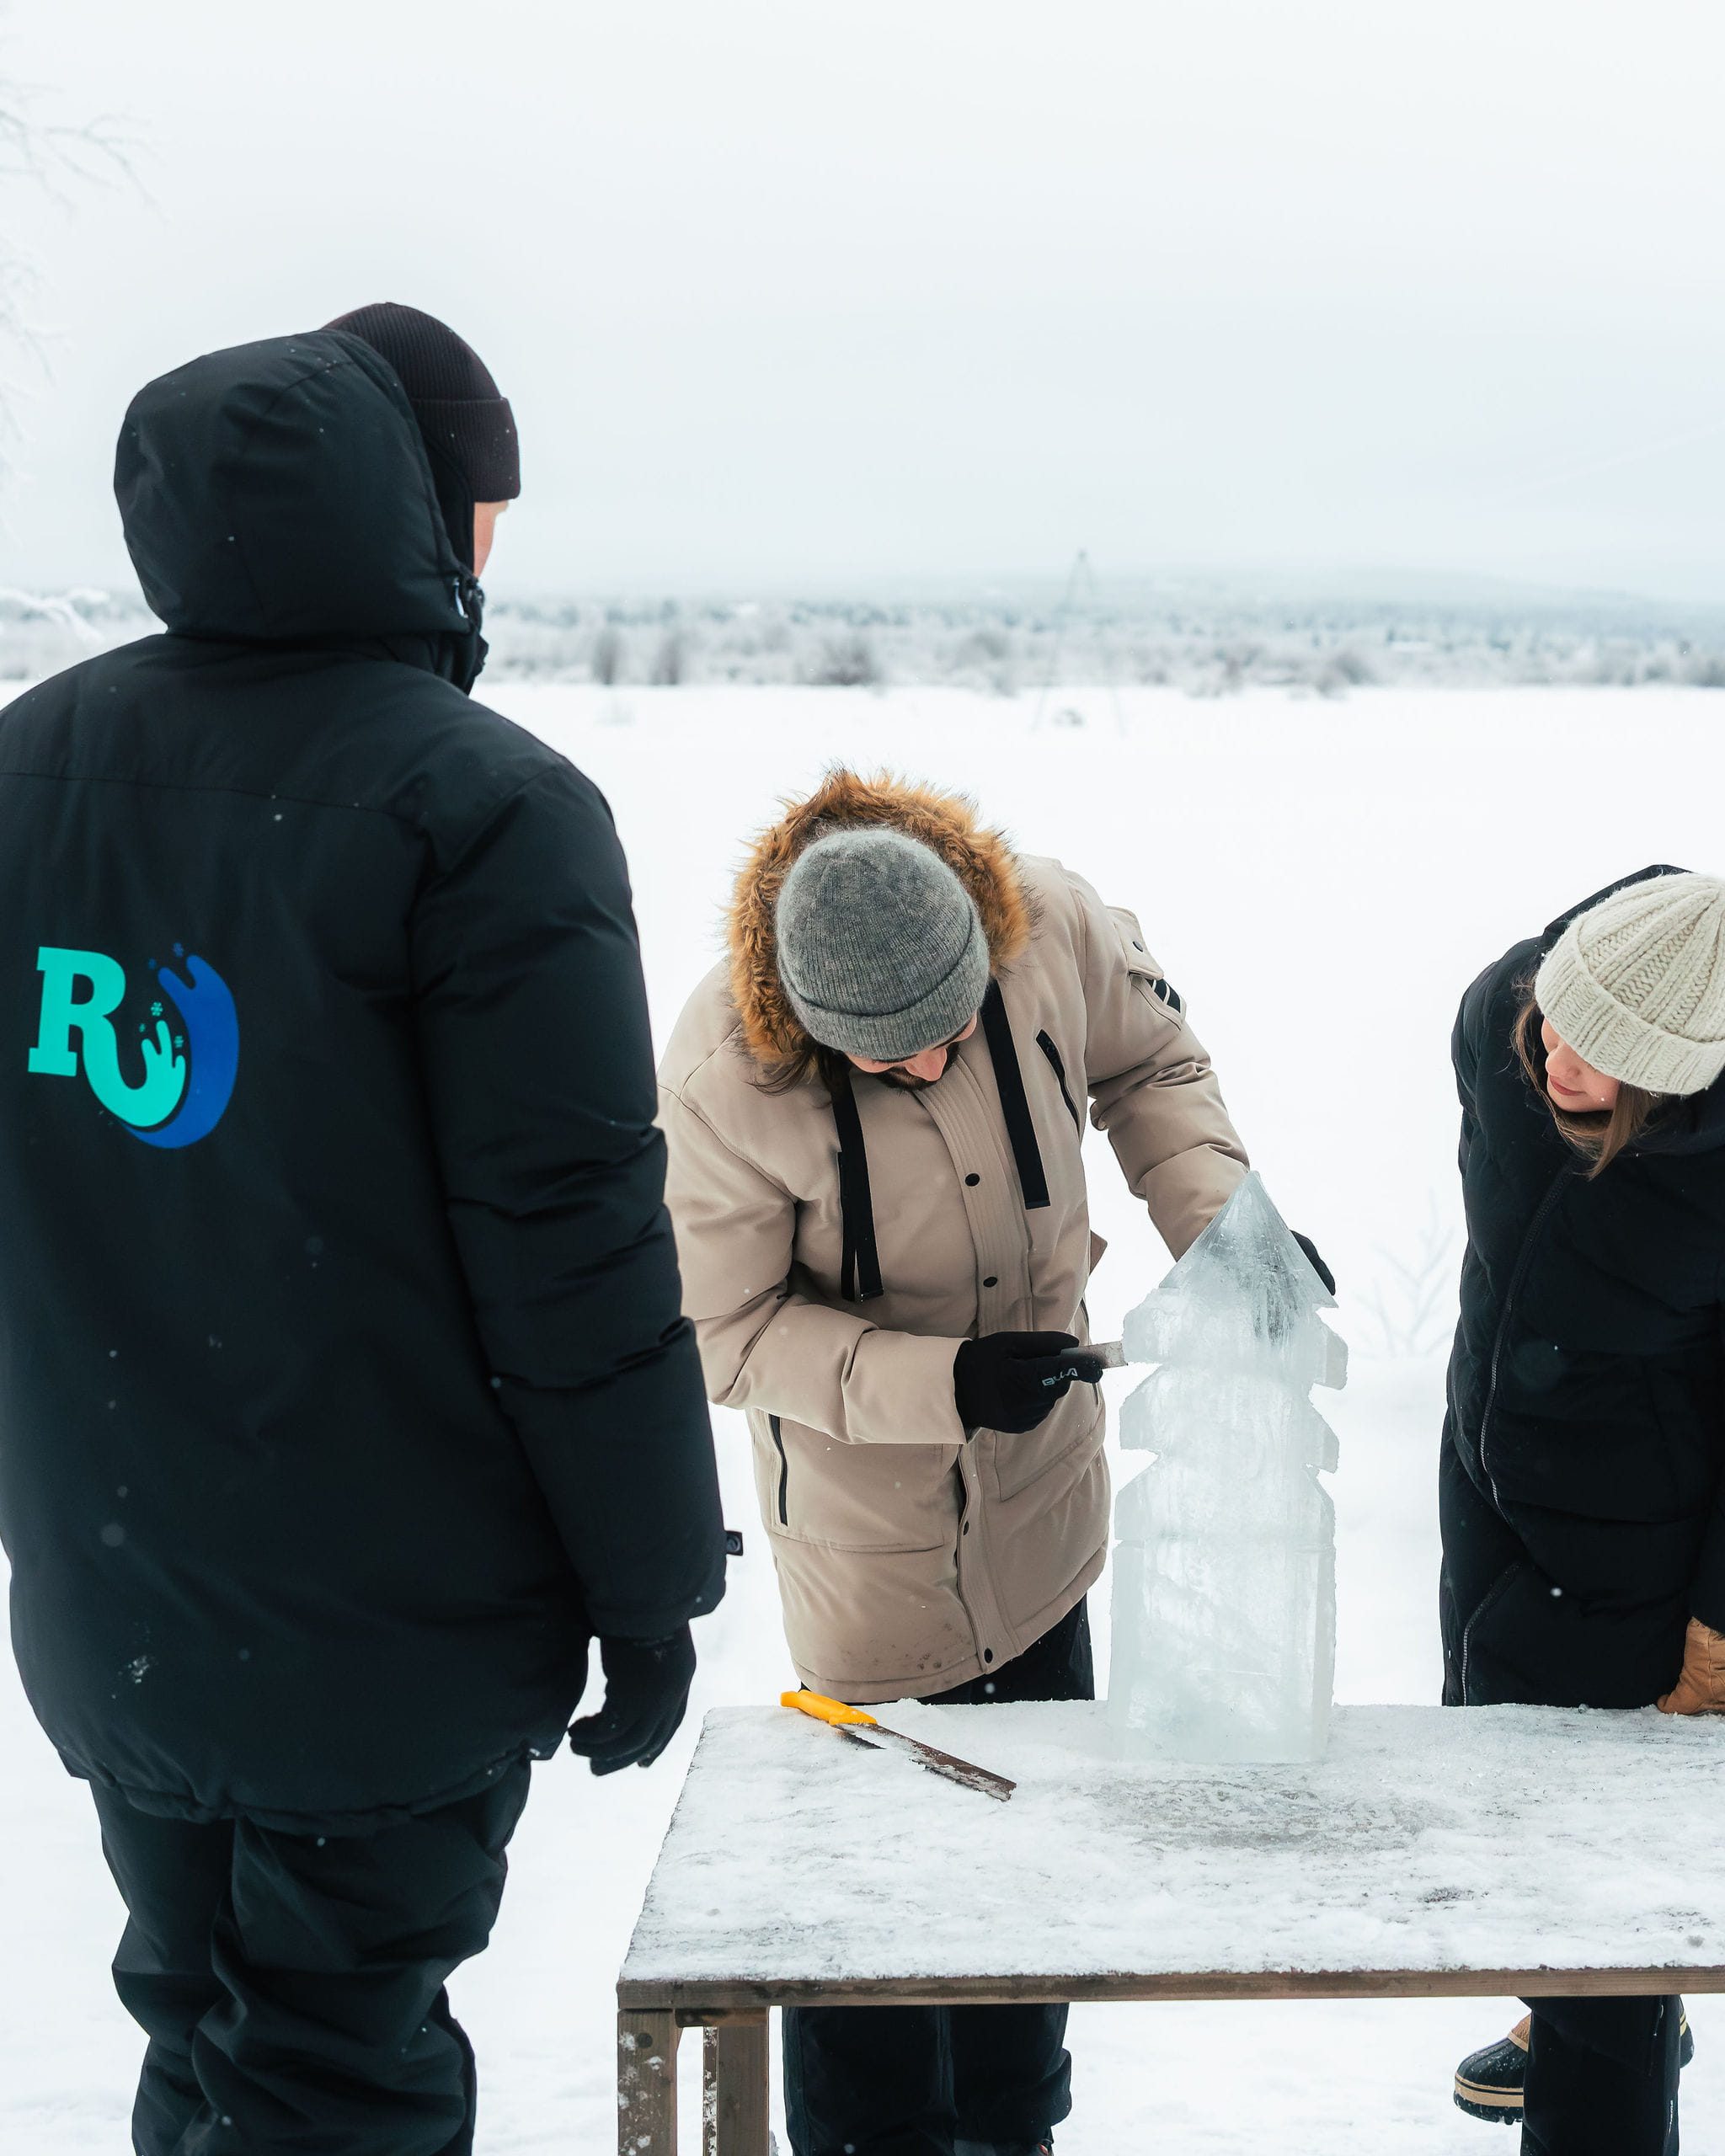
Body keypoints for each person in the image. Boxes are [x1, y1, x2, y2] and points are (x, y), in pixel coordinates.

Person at [0, 304, 725, 2156]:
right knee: (334, 2057)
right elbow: (571, 1245)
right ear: (421, 513)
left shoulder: (27, 773)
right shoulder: (482, 812)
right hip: (384, 1620)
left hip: (119, 1596)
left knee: (206, 2015)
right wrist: (648, 1590)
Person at [658, 768, 1331, 2156]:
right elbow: (719, 1333)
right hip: (869, 1564)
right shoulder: (726, 1073)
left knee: (1029, 1911)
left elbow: (1153, 1066)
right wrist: (941, 1383)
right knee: (874, 1970)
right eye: (881, 1059)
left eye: (944, 1036)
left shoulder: (1054, 927)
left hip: (1048, 1520)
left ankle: (1019, 2125)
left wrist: (1226, 1227)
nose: (920, 1069)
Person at [1442, 866, 1725, 2155]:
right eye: (1556, 1020)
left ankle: (1602, 2076)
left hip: (1644, 1550)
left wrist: (1718, 1625)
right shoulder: (1502, 1014)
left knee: (1609, 1883)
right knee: (1505, 1792)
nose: (1556, 1057)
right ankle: (1567, 2007)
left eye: (1606, 1056)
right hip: (1493, 1485)